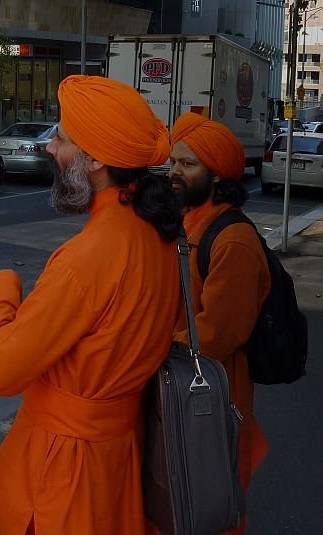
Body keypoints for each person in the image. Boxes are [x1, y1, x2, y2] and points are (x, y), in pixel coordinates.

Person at [0, 75, 183, 534]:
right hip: (119, 454)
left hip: (62, 468)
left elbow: (2, 370)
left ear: (96, 160)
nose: (51, 147)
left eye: (63, 139)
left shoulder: (87, 256)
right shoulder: (159, 235)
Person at [169, 111, 270, 534]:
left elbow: (217, 334)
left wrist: (149, 348)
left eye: (187, 164)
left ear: (216, 174)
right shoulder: (186, 221)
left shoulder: (233, 239)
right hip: (181, 390)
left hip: (213, 400)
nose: (174, 172)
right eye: (173, 162)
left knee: (212, 508)